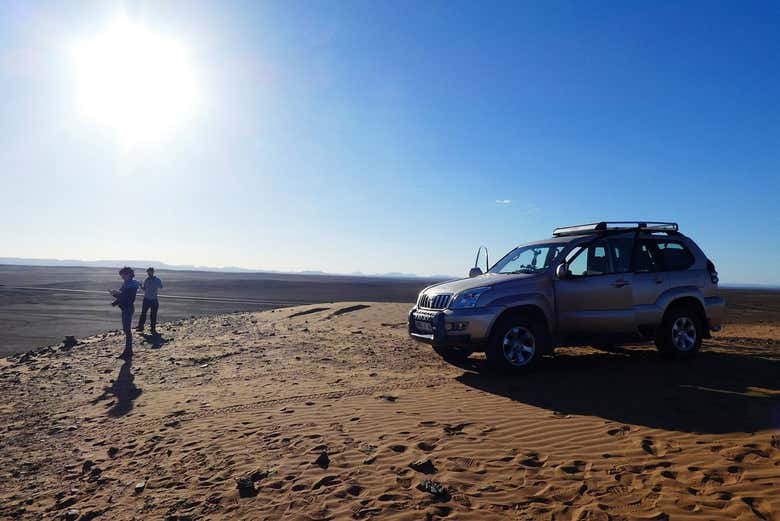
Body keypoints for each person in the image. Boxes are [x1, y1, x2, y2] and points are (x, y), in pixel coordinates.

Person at [110, 267, 140, 359]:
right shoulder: (127, 283)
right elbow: (121, 295)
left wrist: (115, 302)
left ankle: (128, 351)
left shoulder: (132, 284)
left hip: (128, 308)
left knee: (127, 331)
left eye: (123, 275)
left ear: (128, 274)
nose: (122, 277)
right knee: (126, 330)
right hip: (125, 308)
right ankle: (128, 351)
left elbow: (126, 297)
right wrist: (114, 294)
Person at [137, 267, 163, 335]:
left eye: (150, 272)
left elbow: (161, 286)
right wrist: (140, 285)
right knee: (143, 313)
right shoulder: (146, 280)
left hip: (154, 299)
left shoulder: (157, 279)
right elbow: (144, 289)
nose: (148, 273)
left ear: (152, 272)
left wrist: (154, 283)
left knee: (153, 315)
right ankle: (140, 327)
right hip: (146, 299)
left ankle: (153, 328)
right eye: (148, 272)